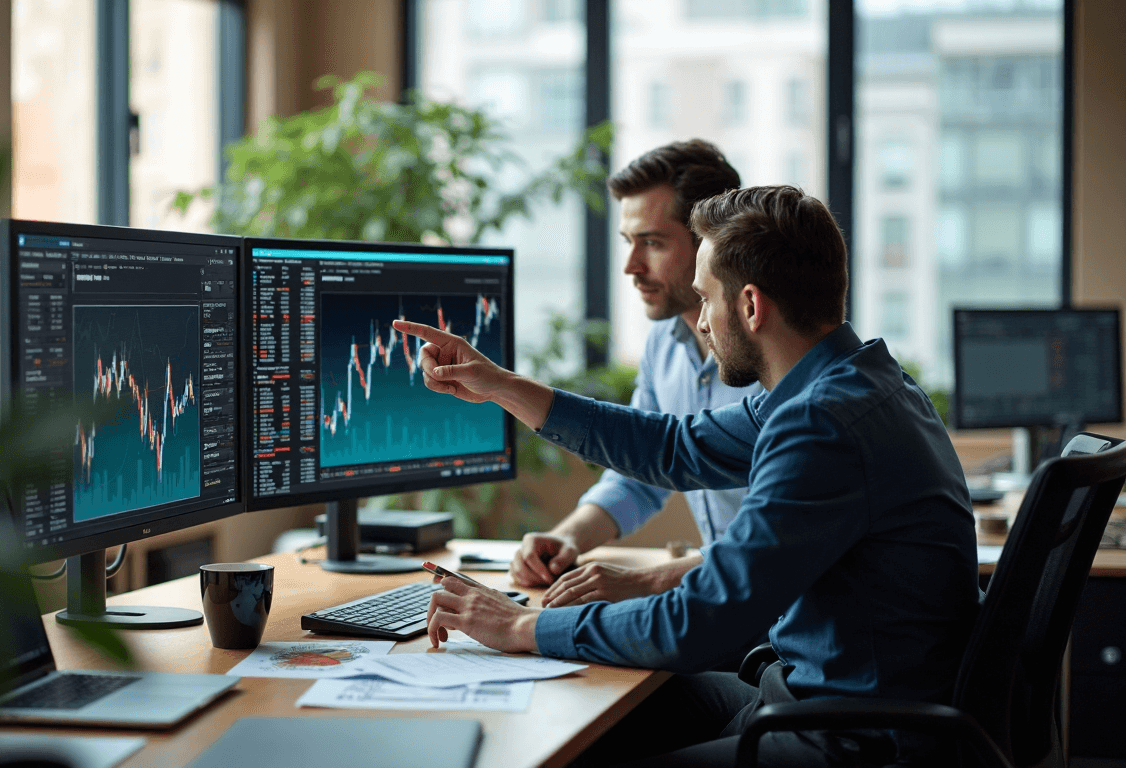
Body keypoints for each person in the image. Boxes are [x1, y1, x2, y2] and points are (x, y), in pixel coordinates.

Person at [395, 186, 979, 766]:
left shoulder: (823, 427)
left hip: (846, 739)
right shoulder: (853, 382)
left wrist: (525, 625)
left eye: (705, 299)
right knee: (594, 712)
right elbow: (672, 446)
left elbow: (698, 622)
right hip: (806, 697)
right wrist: (501, 386)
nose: (699, 322)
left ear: (750, 306)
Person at [511, 140, 763, 613]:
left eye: (653, 243)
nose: (631, 267)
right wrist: (569, 537)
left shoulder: (777, 357)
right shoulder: (663, 343)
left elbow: (772, 547)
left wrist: (645, 582)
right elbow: (641, 474)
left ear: (713, 243)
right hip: (724, 603)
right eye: (629, 242)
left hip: (774, 611)